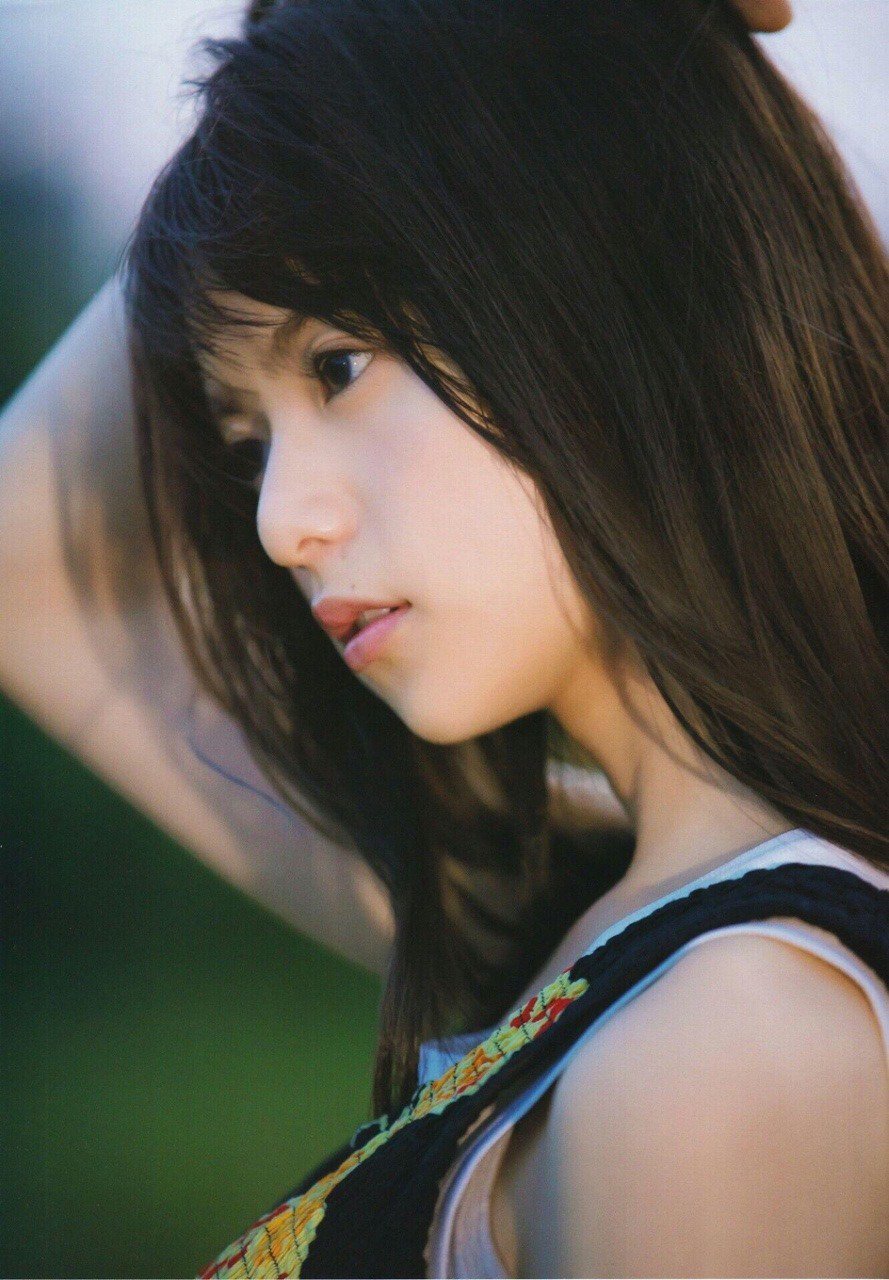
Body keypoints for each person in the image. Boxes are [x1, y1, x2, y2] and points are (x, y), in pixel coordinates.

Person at [0, 0, 886, 1276]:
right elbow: (32, 562)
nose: (279, 523)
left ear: (598, 286)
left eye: (337, 365)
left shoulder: (724, 1039)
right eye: (249, 444)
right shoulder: (574, 909)